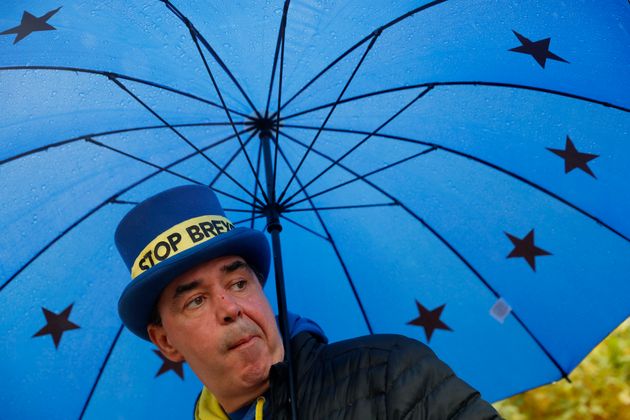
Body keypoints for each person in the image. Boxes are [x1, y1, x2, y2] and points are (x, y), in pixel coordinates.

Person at [115, 185, 501, 419]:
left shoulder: (391, 374)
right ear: (165, 341)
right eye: (197, 300)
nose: (230, 308)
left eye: (237, 282)